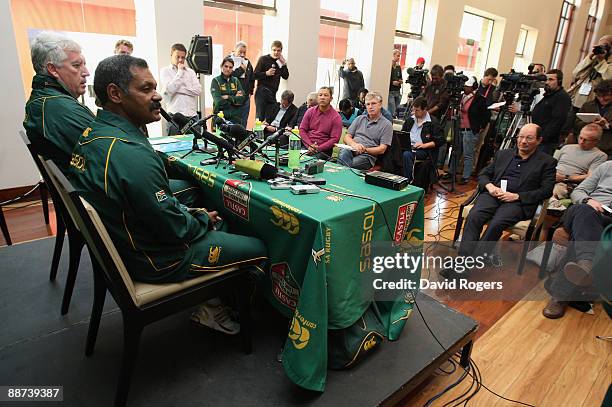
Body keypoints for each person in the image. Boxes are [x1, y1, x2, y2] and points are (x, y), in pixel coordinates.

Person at [69, 54, 267, 334]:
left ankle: (215, 300)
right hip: (159, 260)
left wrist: (194, 215)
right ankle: (243, 315)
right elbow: (174, 229)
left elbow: (154, 207)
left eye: (155, 88)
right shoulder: (132, 155)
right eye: (146, 89)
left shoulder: (92, 133)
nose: (158, 96)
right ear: (115, 93)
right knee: (260, 247)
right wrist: (200, 219)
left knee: (211, 215)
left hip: (131, 243)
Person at [453, 124, 556, 270]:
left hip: (517, 202)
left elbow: (546, 191)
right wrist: (490, 187)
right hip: (494, 194)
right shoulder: (504, 154)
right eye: (520, 137)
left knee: (497, 223)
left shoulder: (547, 162)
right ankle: (463, 259)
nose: (523, 141)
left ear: (539, 140)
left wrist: (517, 196)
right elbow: (484, 174)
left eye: (529, 138)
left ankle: (472, 263)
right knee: (474, 216)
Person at [543, 160, 612, 319]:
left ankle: (560, 295)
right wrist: (589, 201)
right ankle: (587, 264)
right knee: (584, 212)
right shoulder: (607, 167)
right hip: (585, 210)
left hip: (607, 222)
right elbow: (579, 191)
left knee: (581, 237)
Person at [23, 32, 95, 173]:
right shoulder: (60, 109)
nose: (86, 72)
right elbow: (110, 155)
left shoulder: (42, 100)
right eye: (76, 65)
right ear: (53, 69)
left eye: (84, 64)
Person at [549, 123, 607, 211]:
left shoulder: (600, 156)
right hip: (550, 176)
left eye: (586, 140)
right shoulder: (567, 148)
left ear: (596, 141)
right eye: (580, 138)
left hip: (568, 184)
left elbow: (591, 177)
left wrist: (565, 178)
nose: (581, 142)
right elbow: (550, 164)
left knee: (555, 190)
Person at [448, 76, 490, 184]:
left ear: (473, 88)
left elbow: (486, 115)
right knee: (456, 151)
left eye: (467, 86)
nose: (465, 88)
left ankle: (465, 176)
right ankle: (451, 172)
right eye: (465, 86)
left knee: (468, 153)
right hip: (459, 127)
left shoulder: (479, 99)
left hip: (470, 129)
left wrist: (481, 127)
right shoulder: (460, 97)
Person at [338, 92, 393, 170]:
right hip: (351, 149)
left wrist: (364, 150)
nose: (370, 107)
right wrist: (354, 145)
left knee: (346, 164)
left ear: (380, 105)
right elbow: (347, 137)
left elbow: (382, 149)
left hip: (367, 155)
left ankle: (341, 176)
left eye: (373, 103)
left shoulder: (387, 125)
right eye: (368, 104)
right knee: (343, 154)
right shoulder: (360, 118)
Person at [160, 43, 201, 135]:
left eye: (183, 57)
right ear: (171, 56)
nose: (180, 60)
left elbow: (198, 91)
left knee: (196, 144)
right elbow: (169, 90)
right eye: (177, 57)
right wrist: (180, 72)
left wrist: (178, 89)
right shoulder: (165, 71)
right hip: (175, 116)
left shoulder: (191, 72)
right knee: (175, 146)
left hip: (192, 116)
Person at [400, 96, 443, 183]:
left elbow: (440, 141)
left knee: (407, 155)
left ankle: (407, 181)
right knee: (393, 151)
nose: (415, 112)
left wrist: (423, 145)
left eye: (417, 110)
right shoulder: (410, 120)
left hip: (423, 150)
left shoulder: (433, 122)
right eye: (413, 110)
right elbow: (403, 134)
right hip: (409, 146)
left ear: (425, 109)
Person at [531, 69, 572, 155]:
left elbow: (557, 121)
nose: (547, 82)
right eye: (546, 79)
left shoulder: (562, 97)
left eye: (551, 80)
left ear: (559, 81)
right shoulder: (548, 95)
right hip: (538, 137)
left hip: (546, 142)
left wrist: (542, 137)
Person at [567, 35, 612, 113]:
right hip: (578, 99)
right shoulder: (593, 58)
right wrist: (589, 57)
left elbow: (609, 78)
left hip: (595, 101)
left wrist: (601, 61)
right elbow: (576, 73)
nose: (602, 48)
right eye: (600, 45)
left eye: (605, 45)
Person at [573, 79, 612, 158]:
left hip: (607, 149)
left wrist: (608, 125)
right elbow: (576, 124)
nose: (602, 99)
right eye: (599, 95)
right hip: (586, 148)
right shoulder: (588, 105)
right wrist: (589, 123)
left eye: (605, 95)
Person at [299, 87, 342, 157]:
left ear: (331, 99)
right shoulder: (310, 111)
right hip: (307, 146)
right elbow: (302, 130)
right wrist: (309, 145)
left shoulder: (336, 117)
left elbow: (334, 139)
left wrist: (318, 148)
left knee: (311, 162)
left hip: (324, 150)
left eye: (326, 95)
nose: (322, 97)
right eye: (320, 95)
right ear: (317, 97)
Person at [253, 40, 289, 121]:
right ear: (271, 50)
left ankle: (266, 133)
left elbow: (285, 76)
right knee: (260, 118)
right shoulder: (263, 59)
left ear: (281, 51)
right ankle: (256, 133)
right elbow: (254, 75)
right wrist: (266, 73)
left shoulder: (280, 62)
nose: (276, 52)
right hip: (262, 92)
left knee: (270, 117)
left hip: (272, 93)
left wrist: (284, 64)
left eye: (278, 50)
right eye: (274, 50)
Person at [210, 57, 245, 126]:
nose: (228, 69)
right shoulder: (215, 81)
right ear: (221, 66)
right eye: (226, 66)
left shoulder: (236, 80)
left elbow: (242, 99)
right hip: (220, 119)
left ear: (232, 69)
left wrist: (228, 97)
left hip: (235, 120)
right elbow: (218, 102)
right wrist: (234, 99)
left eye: (230, 67)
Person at [228, 41, 255, 127]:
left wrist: (251, 92)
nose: (242, 55)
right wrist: (241, 69)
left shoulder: (247, 62)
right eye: (240, 52)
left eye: (244, 52)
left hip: (245, 97)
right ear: (235, 50)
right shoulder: (228, 61)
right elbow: (228, 76)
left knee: (243, 122)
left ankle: (241, 140)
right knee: (232, 123)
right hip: (232, 98)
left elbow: (252, 78)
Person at [388, 49, 403, 118]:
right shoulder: (388, 67)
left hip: (398, 91)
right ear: (393, 55)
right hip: (391, 91)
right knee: (392, 110)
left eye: (399, 56)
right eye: (397, 56)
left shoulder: (398, 67)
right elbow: (386, 79)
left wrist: (400, 81)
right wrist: (392, 82)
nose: (398, 58)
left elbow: (400, 77)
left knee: (396, 110)